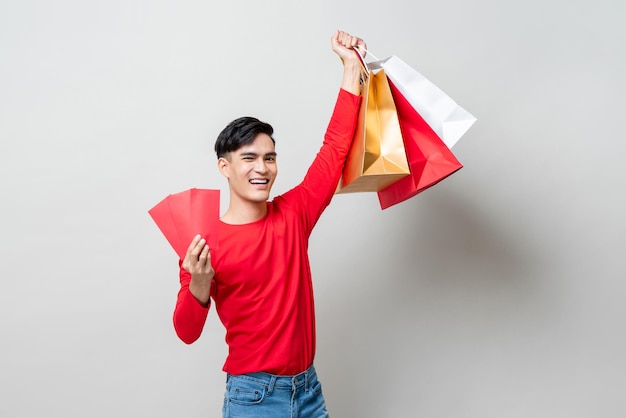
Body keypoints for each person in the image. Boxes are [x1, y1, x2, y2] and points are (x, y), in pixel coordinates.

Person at [173, 30, 366, 418]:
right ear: (224, 167)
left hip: (308, 389)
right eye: (249, 158)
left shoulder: (294, 213)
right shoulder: (204, 244)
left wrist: (350, 68)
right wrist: (198, 281)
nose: (262, 168)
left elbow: (335, 150)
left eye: (270, 157)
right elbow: (187, 332)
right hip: (254, 397)